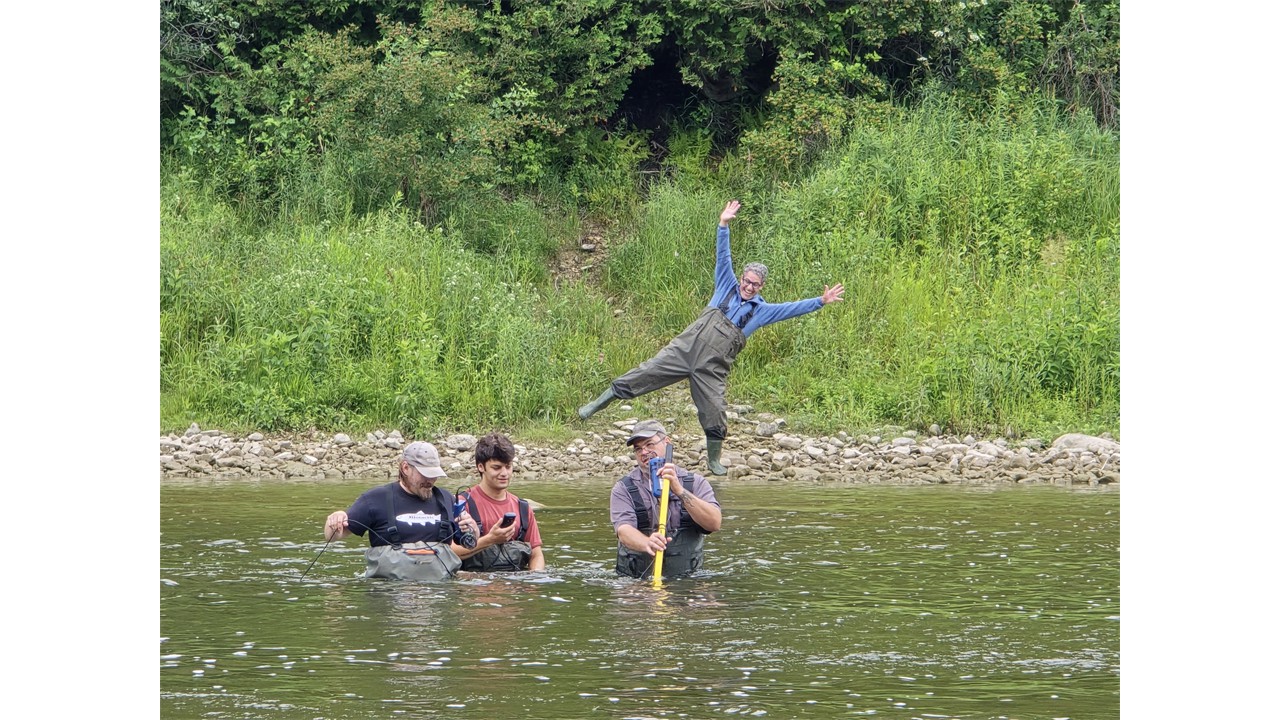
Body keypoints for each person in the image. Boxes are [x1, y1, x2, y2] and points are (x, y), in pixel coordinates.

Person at [578, 199, 845, 474]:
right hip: (684, 350)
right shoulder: (726, 284)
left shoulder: (762, 311)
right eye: (746, 280)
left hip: (712, 368)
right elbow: (723, 255)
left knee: (715, 409)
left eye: (755, 284)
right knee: (644, 373)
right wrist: (723, 224)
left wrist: (820, 301)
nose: (748, 286)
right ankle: (594, 406)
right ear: (741, 277)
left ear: (762, 286)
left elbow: (791, 309)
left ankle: (714, 459)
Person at [323, 441, 480, 580]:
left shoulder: (447, 499)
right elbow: (332, 536)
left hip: (439, 592)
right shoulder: (375, 499)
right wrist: (336, 518)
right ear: (405, 468)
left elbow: (469, 544)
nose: (430, 481)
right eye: (425, 474)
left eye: (434, 475)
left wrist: (473, 530)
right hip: (391, 593)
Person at [610, 420, 722, 579]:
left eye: (649, 444)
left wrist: (679, 491)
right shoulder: (623, 488)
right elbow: (623, 531)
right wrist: (647, 543)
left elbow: (714, 523)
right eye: (638, 449)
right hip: (636, 580)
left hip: (688, 579)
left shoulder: (695, 483)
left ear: (667, 443)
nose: (644, 452)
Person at [455, 432, 546, 572]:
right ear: (481, 467)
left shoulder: (523, 508)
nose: (504, 473)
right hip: (475, 583)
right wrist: (490, 539)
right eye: (496, 467)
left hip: (514, 583)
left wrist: (534, 577)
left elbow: (536, 554)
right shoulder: (462, 505)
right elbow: (450, 552)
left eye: (508, 467)